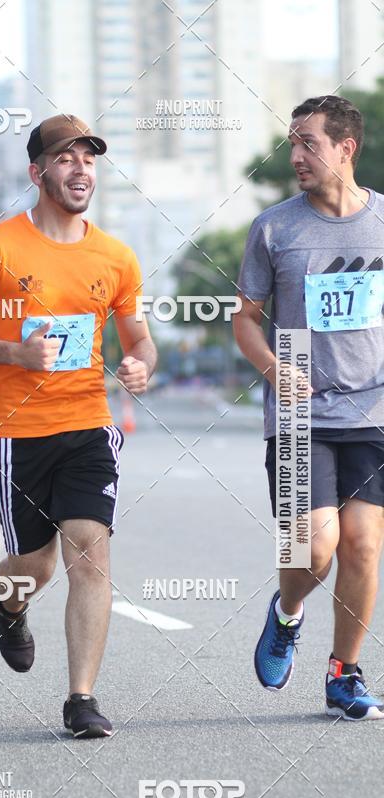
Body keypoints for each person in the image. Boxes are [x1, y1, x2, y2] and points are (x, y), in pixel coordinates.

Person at [0, 114, 157, 738]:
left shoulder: (114, 255)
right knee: (35, 566)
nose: (81, 168)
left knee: (91, 552)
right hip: (16, 434)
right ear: (38, 172)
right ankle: (8, 603)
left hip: (88, 425)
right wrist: (12, 353)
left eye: (89, 158)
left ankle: (80, 698)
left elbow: (139, 337)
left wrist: (140, 364)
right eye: (66, 158)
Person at [234, 95, 384, 720]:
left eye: (308, 143)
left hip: (374, 413)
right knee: (313, 549)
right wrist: (274, 368)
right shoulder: (275, 228)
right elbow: (245, 322)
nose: (295, 155)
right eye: (291, 142)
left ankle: (343, 675)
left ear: (346, 148)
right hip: (300, 416)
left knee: (363, 548)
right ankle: (287, 613)